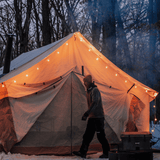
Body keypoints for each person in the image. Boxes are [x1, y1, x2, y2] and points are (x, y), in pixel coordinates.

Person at [73, 74, 110, 158]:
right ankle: (83, 152)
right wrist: (88, 114)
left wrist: (87, 113)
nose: (84, 84)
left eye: (85, 82)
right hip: (92, 117)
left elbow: (95, 103)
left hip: (98, 118)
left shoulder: (95, 90)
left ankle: (107, 153)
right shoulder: (88, 91)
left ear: (88, 82)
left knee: (100, 136)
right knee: (87, 135)